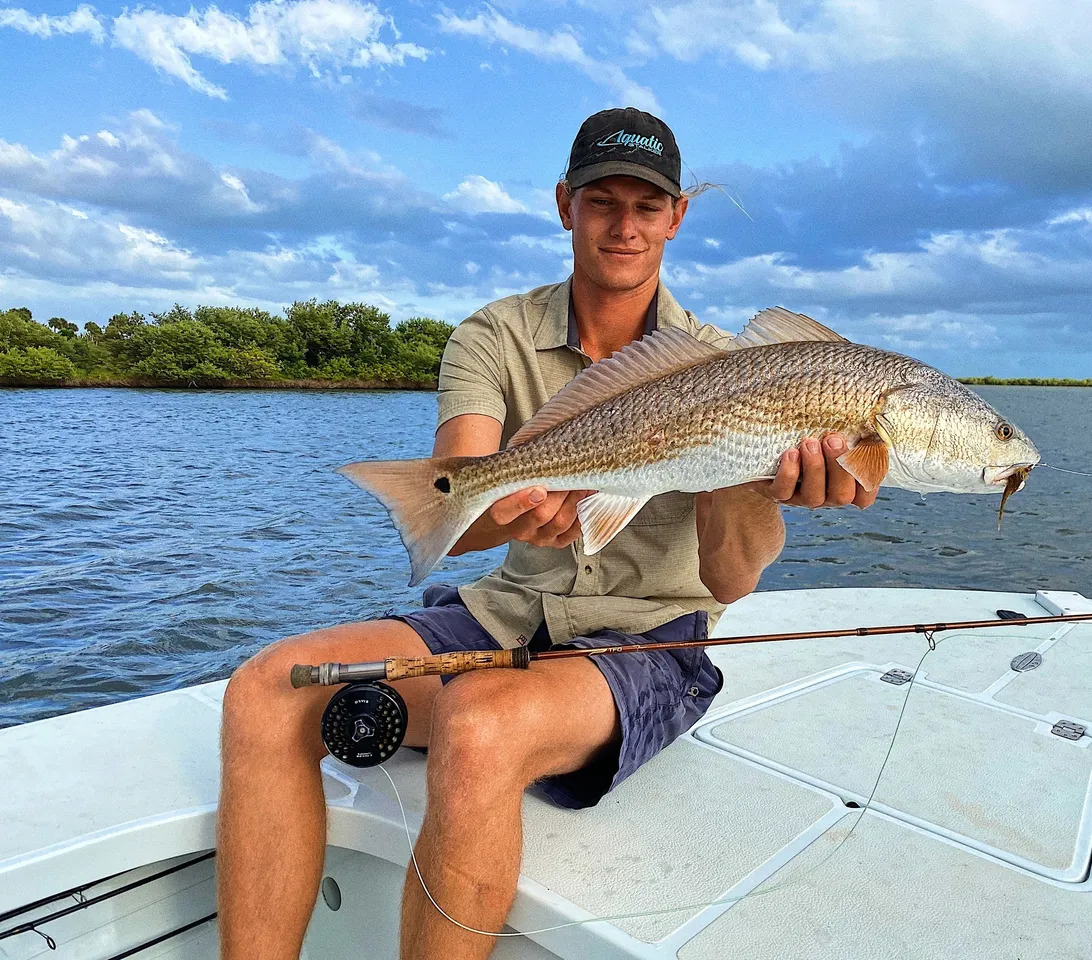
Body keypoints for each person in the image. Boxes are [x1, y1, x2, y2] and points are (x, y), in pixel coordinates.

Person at [215, 107, 879, 960]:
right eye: (603, 201)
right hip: (503, 614)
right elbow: (454, 506)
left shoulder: (730, 368)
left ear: (677, 217)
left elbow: (731, 582)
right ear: (565, 204)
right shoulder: (491, 336)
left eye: (648, 206)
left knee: (479, 724)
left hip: (647, 645)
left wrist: (757, 474)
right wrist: (511, 499)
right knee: (265, 690)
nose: (625, 225)